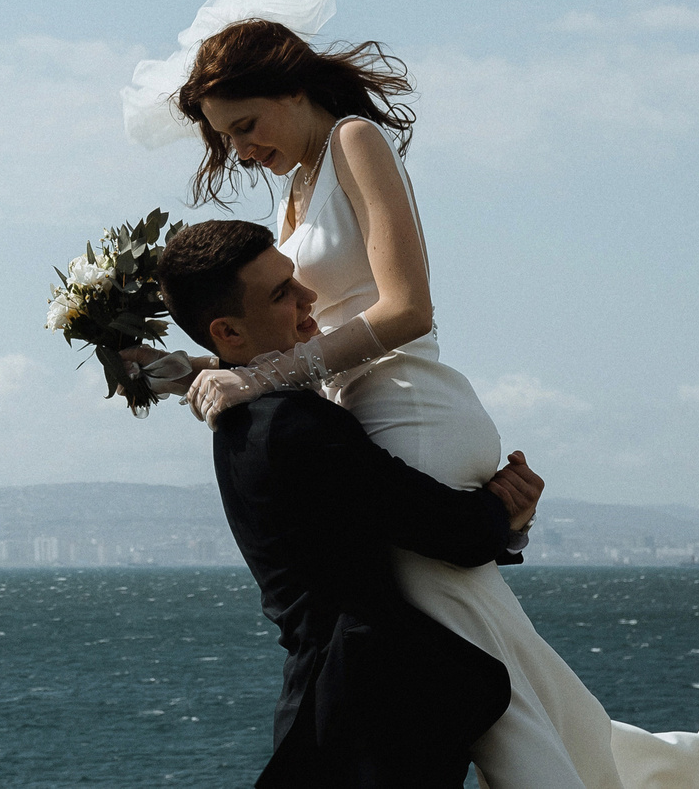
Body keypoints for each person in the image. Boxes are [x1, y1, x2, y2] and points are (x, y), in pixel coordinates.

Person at [121, 0, 699, 789]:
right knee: (499, 666)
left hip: (409, 405)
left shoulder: (355, 140)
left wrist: (263, 379)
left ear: (291, 87)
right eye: (228, 139)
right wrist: (185, 369)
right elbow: (283, 325)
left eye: (246, 126)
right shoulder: (296, 186)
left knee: (473, 672)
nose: (242, 151)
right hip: (362, 410)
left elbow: (408, 307)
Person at [161, 216, 545, 788]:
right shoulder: (296, 427)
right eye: (282, 293)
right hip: (371, 719)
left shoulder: (247, 420)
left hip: (331, 707)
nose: (308, 296)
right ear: (229, 333)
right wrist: (508, 506)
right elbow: (451, 532)